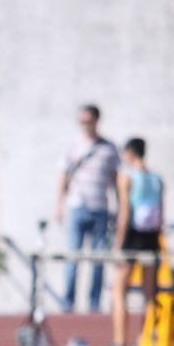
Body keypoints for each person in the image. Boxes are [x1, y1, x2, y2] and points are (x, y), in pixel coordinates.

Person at [55, 104, 120, 313]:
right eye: (80, 121)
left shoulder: (108, 148)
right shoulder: (73, 146)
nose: (83, 125)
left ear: (96, 121)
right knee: (73, 258)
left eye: (86, 120)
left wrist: (119, 208)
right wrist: (59, 205)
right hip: (77, 206)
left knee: (98, 260)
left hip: (100, 208)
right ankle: (68, 304)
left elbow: (115, 180)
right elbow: (63, 176)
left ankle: (94, 305)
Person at [105, 137, 164, 346]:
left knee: (119, 289)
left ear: (129, 153)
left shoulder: (127, 176)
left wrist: (118, 243)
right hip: (151, 237)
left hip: (133, 236)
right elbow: (161, 214)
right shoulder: (157, 178)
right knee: (150, 292)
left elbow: (124, 212)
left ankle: (120, 341)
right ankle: (146, 340)